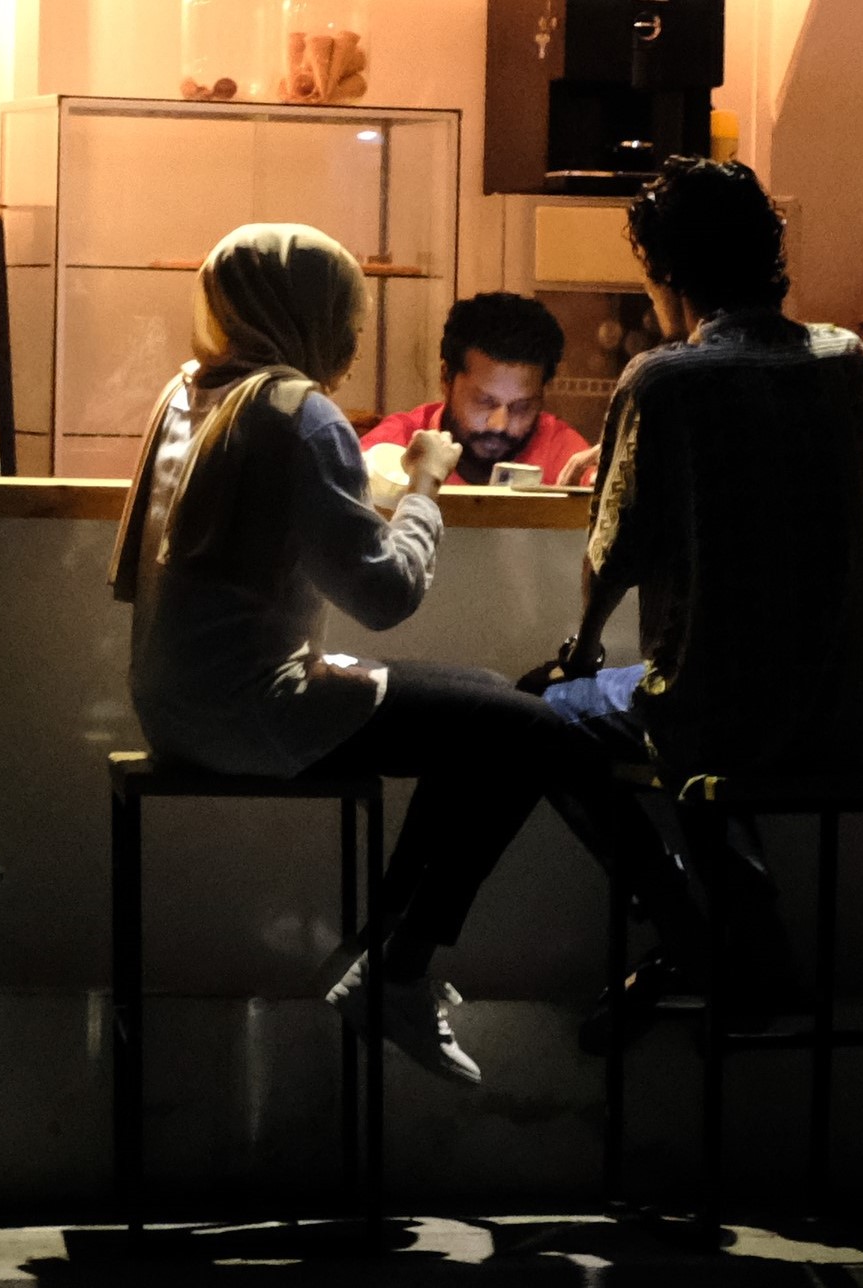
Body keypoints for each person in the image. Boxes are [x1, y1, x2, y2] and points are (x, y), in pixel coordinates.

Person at [109, 223, 596, 1087]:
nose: (355, 337)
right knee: (531, 730)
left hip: (175, 704)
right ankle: (395, 971)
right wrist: (424, 481)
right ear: (307, 313)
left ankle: (386, 959)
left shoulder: (194, 391)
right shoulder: (297, 413)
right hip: (257, 712)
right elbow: (386, 597)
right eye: (348, 316)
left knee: (487, 704)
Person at [522, 158, 863, 1044]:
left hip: (714, 716)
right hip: (841, 711)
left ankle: (692, 936)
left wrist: (580, 649)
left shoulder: (662, 380)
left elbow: (613, 554)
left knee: (544, 713)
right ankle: (745, 939)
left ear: (665, 271)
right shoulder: (842, 361)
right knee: (696, 729)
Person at [358, 291, 592, 487]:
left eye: (521, 407)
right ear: (446, 379)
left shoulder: (565, 455)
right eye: (485, 401)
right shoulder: (391, 450)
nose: (499, 424)